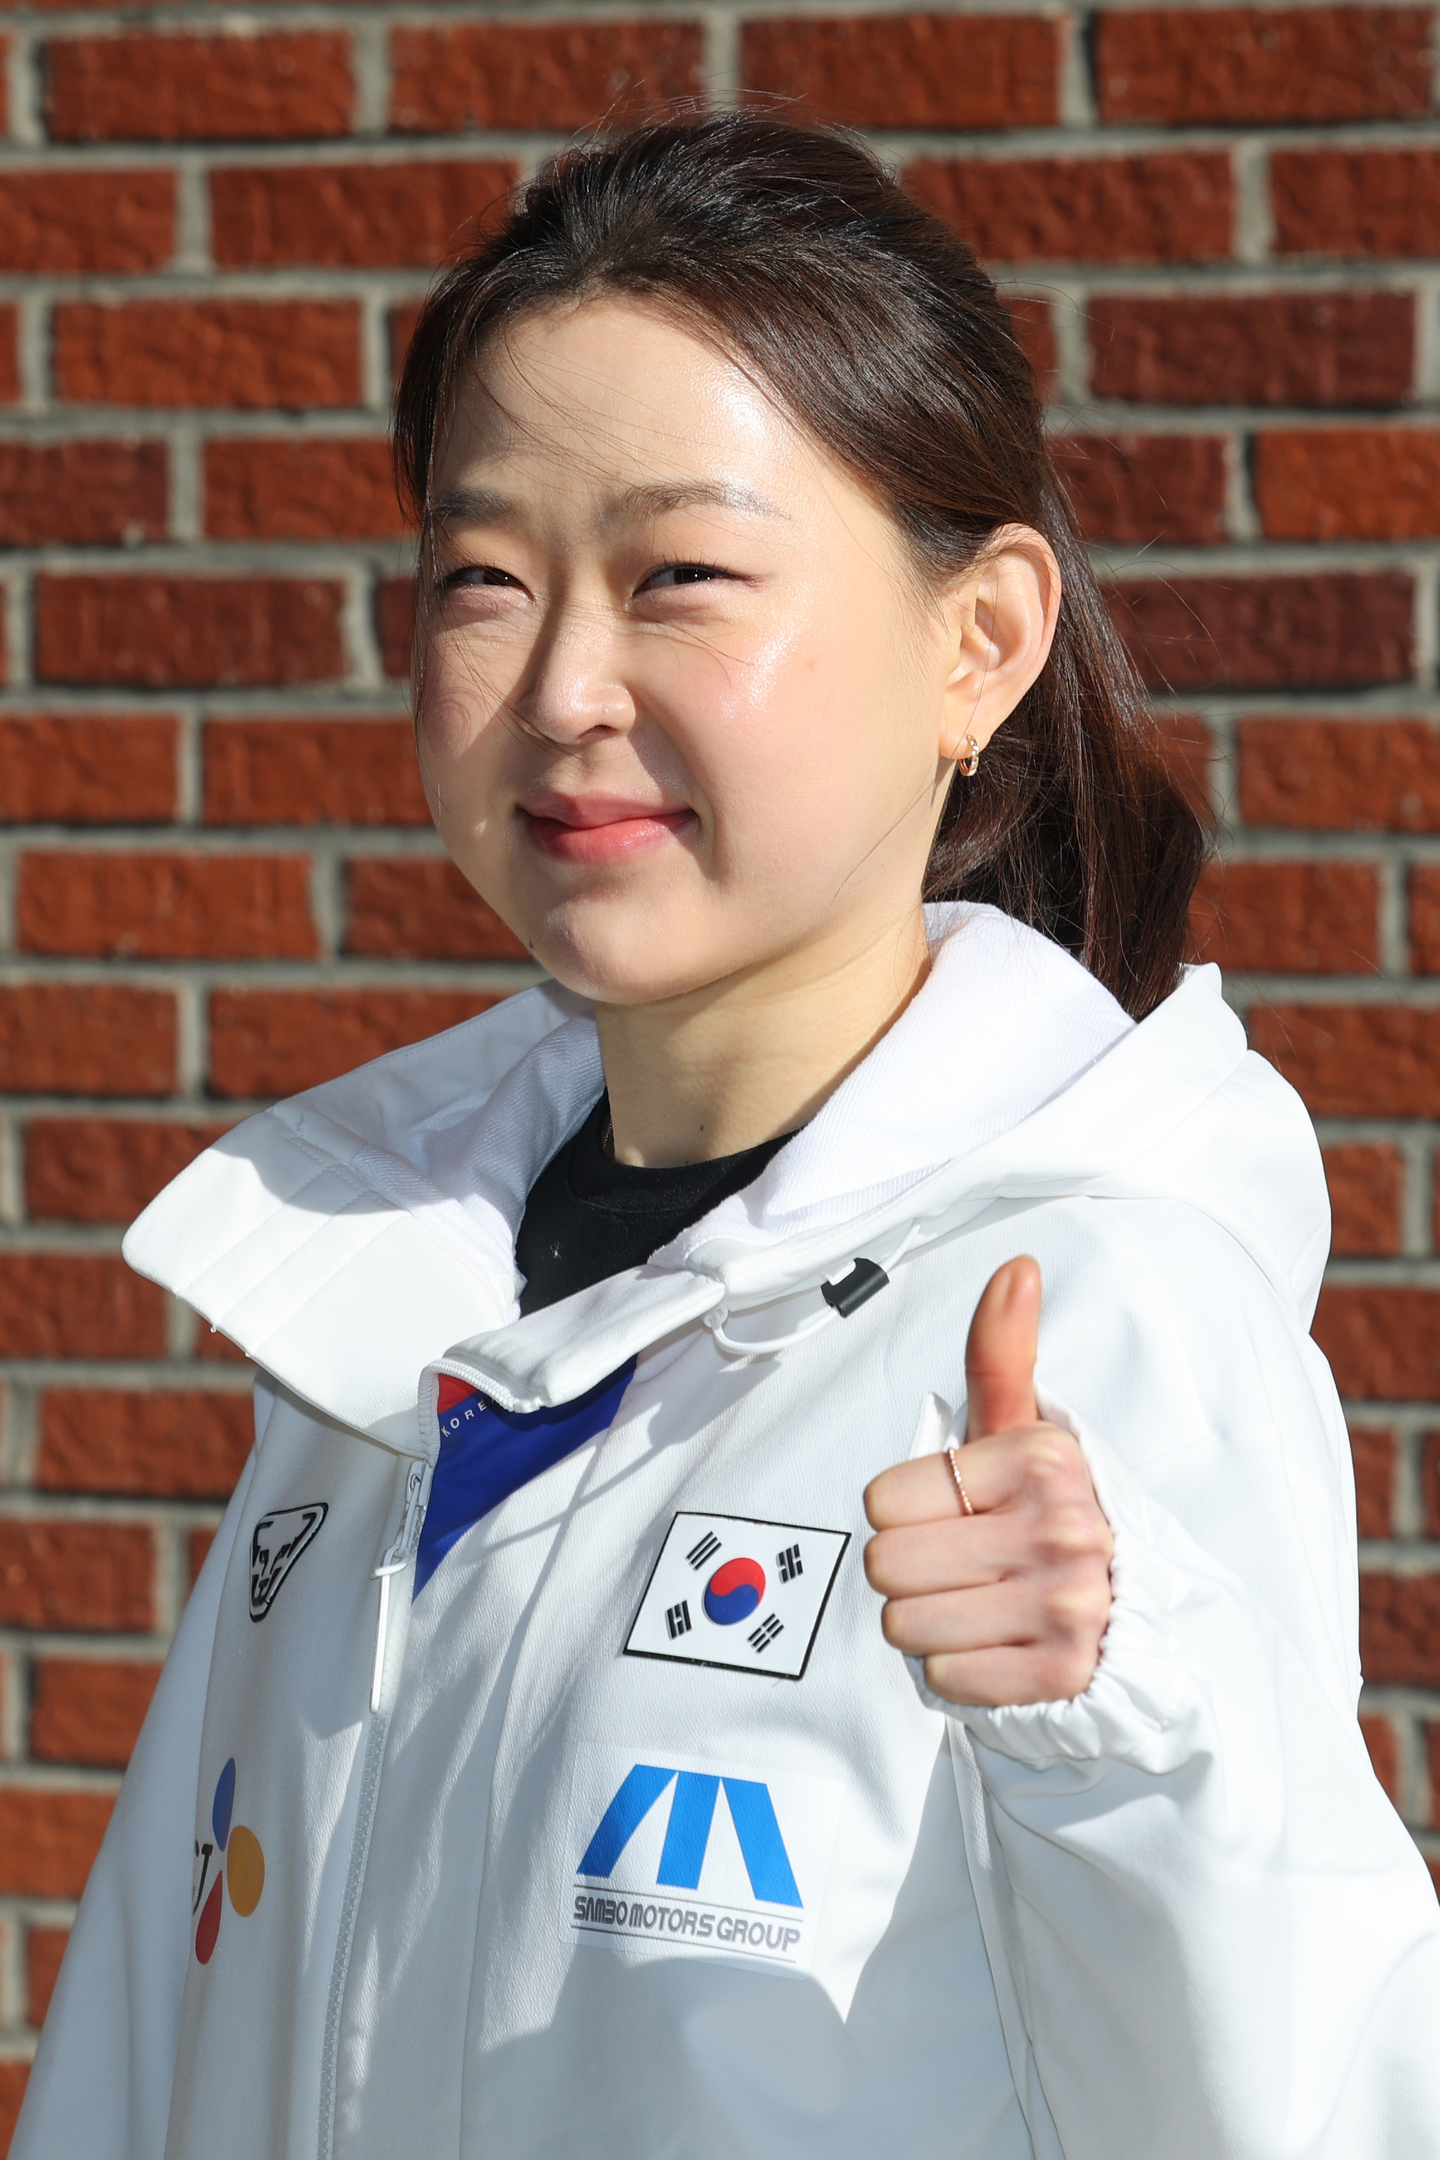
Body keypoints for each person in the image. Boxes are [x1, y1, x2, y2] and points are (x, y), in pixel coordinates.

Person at [12, 113, 1440, 2160]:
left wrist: (1123, 1719)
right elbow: (151, 2050)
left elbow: (1302, 2102)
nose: (568, 684)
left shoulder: (1082, 1318)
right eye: (484, 581)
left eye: (680, 576)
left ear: (983, 642)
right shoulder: (383, 1322)